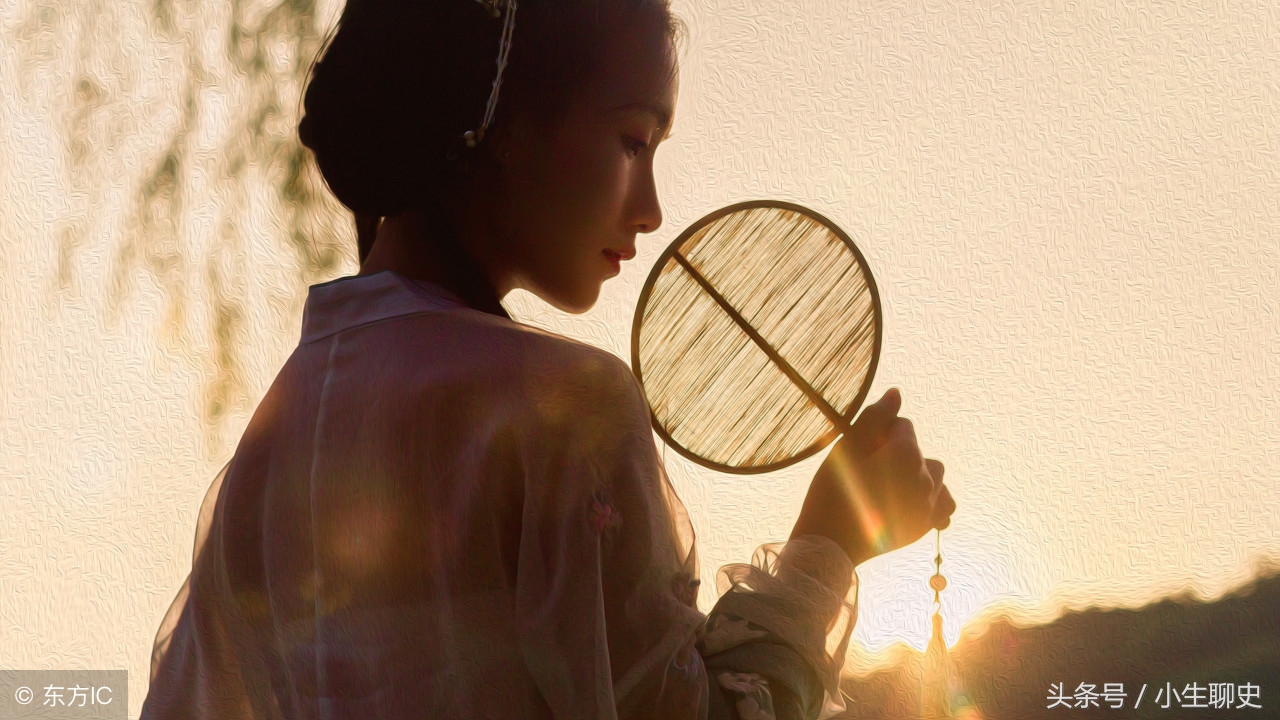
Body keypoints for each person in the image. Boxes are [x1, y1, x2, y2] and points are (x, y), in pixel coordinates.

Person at [138, 0, 957, 718]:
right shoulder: (568, 408)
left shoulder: (275, 439)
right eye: (634, 140)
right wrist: (830, 544)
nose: (650, 210)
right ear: (503, 123)